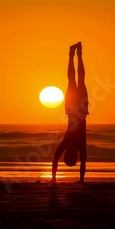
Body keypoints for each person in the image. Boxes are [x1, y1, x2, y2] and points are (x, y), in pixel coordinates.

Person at [51, 42, 89, 183]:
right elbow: (56, 158)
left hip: (76, 110)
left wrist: (54, 178)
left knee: (75, 80)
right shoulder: (74, 146)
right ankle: (75, 54)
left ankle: (74, 54)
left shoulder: (71, 145)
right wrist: (81, 180)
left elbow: (55, 158)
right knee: (76, 80)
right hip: (77, 110)